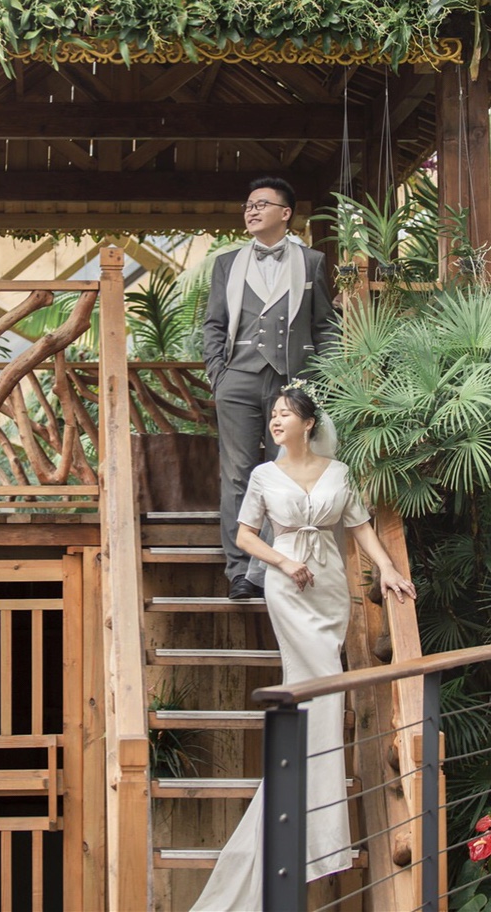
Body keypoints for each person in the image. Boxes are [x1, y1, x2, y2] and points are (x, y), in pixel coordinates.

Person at [190, 385, 416, 911]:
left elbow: (359, 527)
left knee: (327, 691)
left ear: (309, 423)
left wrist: (387, 569)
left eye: (285, 414)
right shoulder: (263, 476)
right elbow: (245, 536)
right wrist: (284, 561)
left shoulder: (339, 473)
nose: (275, 421)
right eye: (273, 414)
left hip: (330, 589)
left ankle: (312, 806)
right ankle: (310, 814)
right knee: (313, 685)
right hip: (288, 586)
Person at [203, 176, 336, 600]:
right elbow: (214, 324)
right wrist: (219, 375)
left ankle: (270, 569)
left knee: (282, 473)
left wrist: (320, 381)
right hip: (237, 379)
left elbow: (325, 325)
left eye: (261, 204)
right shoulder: (226, 264)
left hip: (291, 381)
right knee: (238, 474)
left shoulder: (312, 261)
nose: (252, 210)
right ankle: (240, 571)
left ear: (286, 213)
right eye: (248, 205)